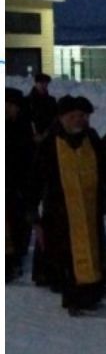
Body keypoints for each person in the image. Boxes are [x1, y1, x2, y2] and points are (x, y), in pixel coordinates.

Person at [29, 95, 106, 315]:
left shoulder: (91, 139)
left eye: (81, 116)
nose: (78, 120)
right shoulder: (50, 144)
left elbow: (105, 168)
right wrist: (34, 214)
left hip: (90, 208)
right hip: (60, 212)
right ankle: (72, 297)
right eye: (72, 116)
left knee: (93, 250)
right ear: (62, 118)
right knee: (67, 256)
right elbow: (35, 179)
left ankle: (91, 294)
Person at [6, 88, 35, 281]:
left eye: (11, 105)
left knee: (19, 224)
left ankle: (15, 259)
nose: (8, 109)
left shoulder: (23, 127)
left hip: (19, 185)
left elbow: (28, 156)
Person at [26, 72, 57, 143]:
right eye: (41, 83)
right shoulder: (27, 100)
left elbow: (55, 118)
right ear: (36, 83)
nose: (44, 86)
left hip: (48, 136)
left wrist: (46, 133)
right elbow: (26, 119)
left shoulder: (51, 100)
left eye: (46, 84)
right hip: (31, 137)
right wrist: (33, 134)